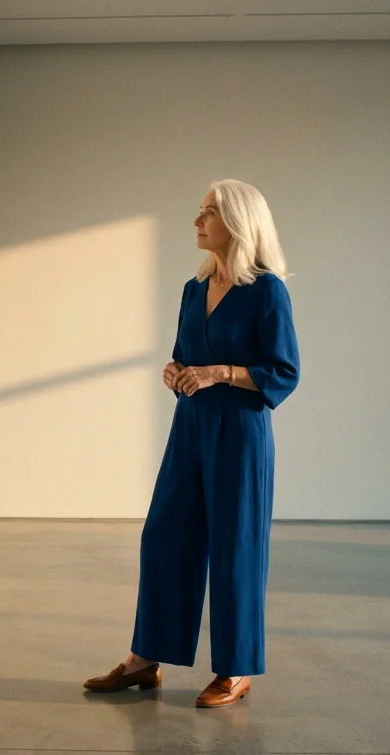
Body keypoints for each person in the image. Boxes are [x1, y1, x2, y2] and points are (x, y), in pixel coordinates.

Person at [83, 179, 300, 708]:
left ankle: (237, 667)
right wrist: (177, 371)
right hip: (191, 428)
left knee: (235, 548)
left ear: (238, 223)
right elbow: (185, 353)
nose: (197, 221)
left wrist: (220, 373)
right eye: (200, 211)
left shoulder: (267, 291)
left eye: (208, 213)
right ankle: (145, 658)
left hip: (241, 433)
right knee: (164, 537)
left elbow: (284, 371)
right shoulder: (192, 289)